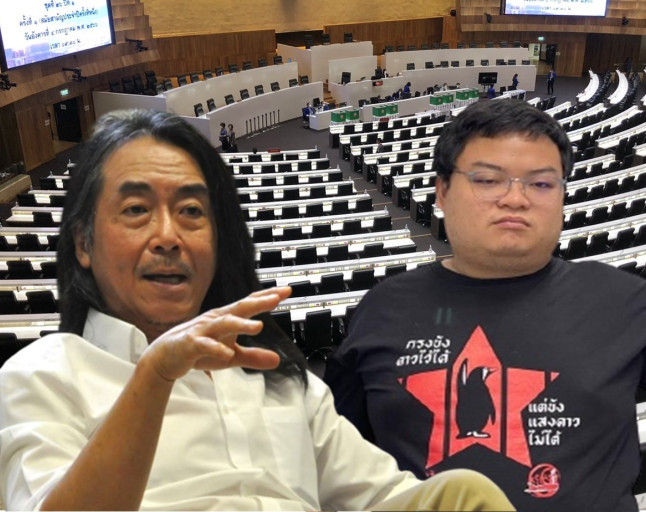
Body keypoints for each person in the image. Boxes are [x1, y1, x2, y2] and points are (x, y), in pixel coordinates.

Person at [0, 109, 516, 512]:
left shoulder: (281, 378)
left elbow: (382, 494)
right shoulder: (44, 373)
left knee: (464, 492)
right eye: (136, 210)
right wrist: (155, 376)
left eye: (191, 211)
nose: (168, 236)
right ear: (83, 244)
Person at [325, 99, 646, 511]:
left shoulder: (619, 298)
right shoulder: (382, 308)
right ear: (441, 191)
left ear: (561, 196)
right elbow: (341, 459)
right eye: (487, 180)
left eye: (540, 183)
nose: (515, 198)